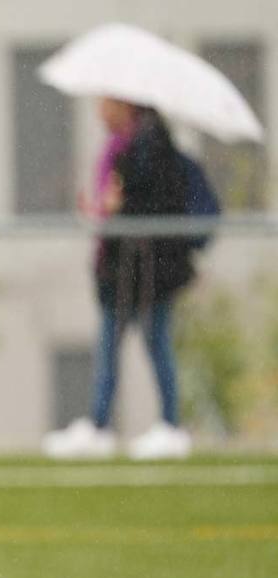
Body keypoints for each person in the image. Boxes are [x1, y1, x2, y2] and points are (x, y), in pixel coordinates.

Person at [44, 100, 196, 460]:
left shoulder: (150, 145)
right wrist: (103, 210)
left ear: (124, 103)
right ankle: (102, 424)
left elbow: (151, 203)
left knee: (151, 343)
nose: (99, 109)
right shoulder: (130, 143)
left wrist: (117, 208)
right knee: (117, 346)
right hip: (124, 266)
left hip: (143, 268)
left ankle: (167, 426)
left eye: (105, 101)